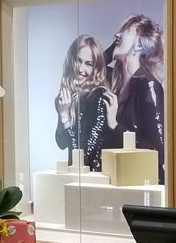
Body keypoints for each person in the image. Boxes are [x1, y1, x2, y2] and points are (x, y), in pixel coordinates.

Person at [103, 14, 166, 184]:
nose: (117, 35)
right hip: (120, 180)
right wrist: (116, 46)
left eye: (124, 32)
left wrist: (115, 126)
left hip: (142, 185)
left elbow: (159, 151)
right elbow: (93, 67)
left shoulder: (148, 85)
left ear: (139, 44)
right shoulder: (113, 82)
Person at [54, 35, 118, 172]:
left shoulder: (98, 97)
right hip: (77, 176)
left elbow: (84, 157)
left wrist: (65, 116)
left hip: (96, 177)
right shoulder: (65, 96)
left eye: (88, 64)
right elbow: (61, 143)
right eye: (78, 60)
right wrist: (62, 116)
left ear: (96, 68)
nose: (81, 69)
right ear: (71, 60)